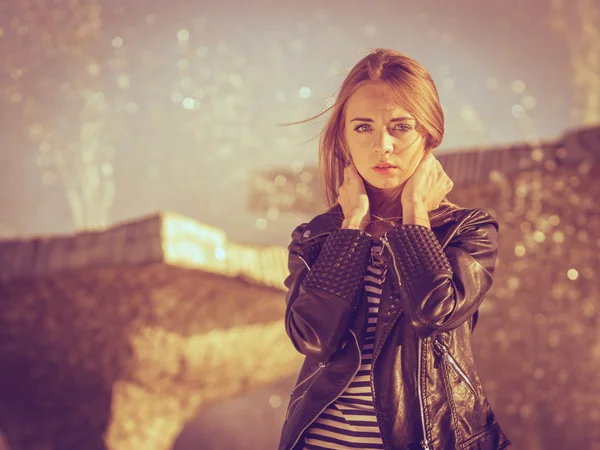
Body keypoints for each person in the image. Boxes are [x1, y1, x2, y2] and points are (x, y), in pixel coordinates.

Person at [278, 49, 511, 450]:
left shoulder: (468, 230)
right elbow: (312, 338)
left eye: (400, 127)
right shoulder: (316, 237)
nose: (382, 146)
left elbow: (434, 312)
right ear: (344, 139)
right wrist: (352, 228)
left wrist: (415, 215)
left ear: (429, 134)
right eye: (363, 128)